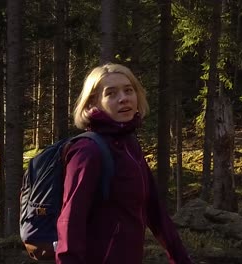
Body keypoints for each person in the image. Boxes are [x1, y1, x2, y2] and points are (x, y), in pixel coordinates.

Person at [56, 63, 193, 264]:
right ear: (93, 103)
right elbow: (70, 221)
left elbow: (155, 211)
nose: (124, 98)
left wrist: (181, 258)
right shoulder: (88, 150)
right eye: (111, 94)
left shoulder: (129, 145)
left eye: (129, 90)